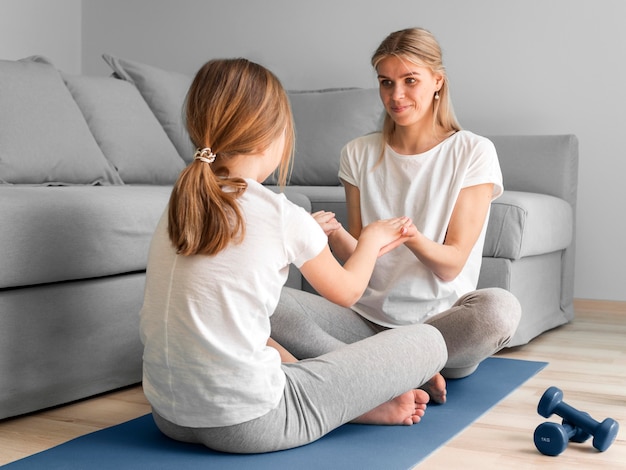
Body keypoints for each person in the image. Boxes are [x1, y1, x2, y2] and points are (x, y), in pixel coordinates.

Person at [139, 58, 449, 454]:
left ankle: (351, 400)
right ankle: (351, 401)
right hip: (250, 423)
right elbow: (348, 291)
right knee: (427, 341)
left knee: (240, 327)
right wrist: (370, 239)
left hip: (169, 415)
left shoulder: (182, 204)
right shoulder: (281, 214)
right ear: (272, 136)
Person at [271, 28, 521, 404]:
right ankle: (397, 373)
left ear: (437, 82)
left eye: (410, 81)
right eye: (386, 82)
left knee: (498, 311)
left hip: (439, 330)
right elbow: (361, 259)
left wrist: (410, 235)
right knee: (266, 300)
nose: (396, 95)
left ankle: (375, 370)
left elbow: (452, 265)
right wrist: (332, 234)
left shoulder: (473, 151)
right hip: (365, 325)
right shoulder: (357, 153)